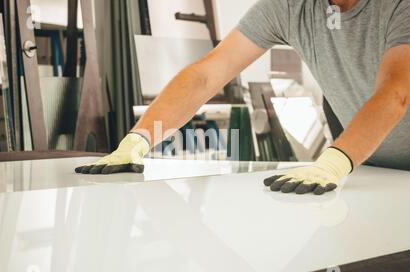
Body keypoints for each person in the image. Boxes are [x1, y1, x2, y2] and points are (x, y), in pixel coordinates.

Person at [76, 0, 410, 195]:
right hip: (374, 173)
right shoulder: (290, 6)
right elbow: (205, 75)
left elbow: (397, 91)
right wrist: (138, 140)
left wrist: (333, 162)